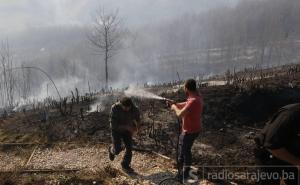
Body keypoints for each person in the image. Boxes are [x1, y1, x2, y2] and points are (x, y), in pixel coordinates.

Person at [254, 103, 300, 185]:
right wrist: (298, 163)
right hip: (271, 157)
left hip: (293, 156)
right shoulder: (290, 114)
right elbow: (273, 147)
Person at [169, 79, 204, 180]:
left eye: (184, 86)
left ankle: (183, 174)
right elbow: (187, 104)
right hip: (195, 129)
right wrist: (176, 103)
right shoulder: (197, 96)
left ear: (186, 88)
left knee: (183, 153)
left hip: (189, 131)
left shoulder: (193, 101)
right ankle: (185, 170)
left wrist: (173, 107)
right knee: (187, 150)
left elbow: (180, 114)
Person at [108, 97, 140, 172]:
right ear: (121, 105)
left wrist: (137, 129)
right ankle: (111, 149)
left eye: (128, 108)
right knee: (117, 150)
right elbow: (113, 125)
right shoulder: (115, 108)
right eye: (124, 107)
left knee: (129, 148)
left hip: (127, 131)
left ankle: (125, 165)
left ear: (130, 105)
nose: (126, 109)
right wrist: (127, 127)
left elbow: (138, 119)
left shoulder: (134, 109)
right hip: (116, 130)